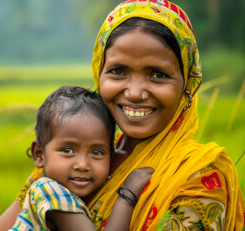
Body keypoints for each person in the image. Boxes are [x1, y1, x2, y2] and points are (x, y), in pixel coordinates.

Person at [0, 0, 245, 231]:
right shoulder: (63, 154)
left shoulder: (198, 176)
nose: (135, 92)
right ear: (98, 73)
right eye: (118, 71)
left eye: (158, 74)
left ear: (187, 84)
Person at [9, 86, 153, 231]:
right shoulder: (49, 192)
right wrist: (127, 196)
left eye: (97, 152)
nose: (83, 165)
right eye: (68, 150)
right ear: (39, 154)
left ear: (111, 157)